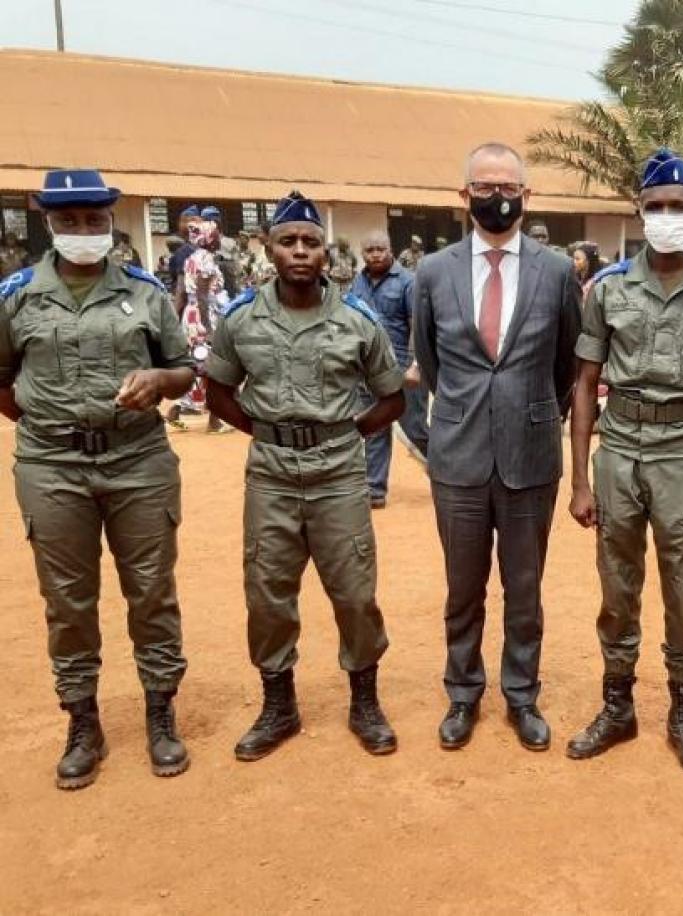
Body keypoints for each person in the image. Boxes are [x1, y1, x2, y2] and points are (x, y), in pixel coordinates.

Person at [0, 169, 196, 789]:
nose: (84, 232)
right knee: (67, 600)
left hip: (138, 460)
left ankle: (160, 713)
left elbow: (184, 369)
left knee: (151, 590)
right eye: (70, 221)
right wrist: (57, 425)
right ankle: (82, 720)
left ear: (109, 222)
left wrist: (160, 384)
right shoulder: (15, 297)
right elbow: (5, 385)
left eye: (95, 221)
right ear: (49, 222)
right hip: (52, 466)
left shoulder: (144, 292)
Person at [206, 191, 405, 761]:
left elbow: (391, 399)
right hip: (269, 476)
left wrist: (341, 435)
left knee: (355, 592)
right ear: (269, 248)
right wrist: (269, 433)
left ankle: (364, 701)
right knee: (267, 594)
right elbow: (218, 391)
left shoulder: (356, 320)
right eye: (288, 241)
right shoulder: (241, 318)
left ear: (326, 252)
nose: (299, 251)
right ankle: (279, 706)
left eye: (310, 243)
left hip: (339, 475)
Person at [565, 149, 683, 776]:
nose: (667, 215)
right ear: (639, 211)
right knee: (617, 585)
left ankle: (682, 712)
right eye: (657, 205)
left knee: (682, 589)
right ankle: (617, 706)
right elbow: (586, 383)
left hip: (682, 453)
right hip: (618, 449)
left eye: (679, 206)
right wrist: (581, 477)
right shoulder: (609, 287)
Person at [413, 142, 581, 752]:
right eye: (484, 188)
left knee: (525, 586)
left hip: (531, 457)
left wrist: (531, 411)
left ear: (527, 196)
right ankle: (462, 694)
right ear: (465, 197)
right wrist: (465, 411)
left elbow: (566, 362)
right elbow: (430, 362)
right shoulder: (432, 273)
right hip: (457, 457)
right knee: (464, 586)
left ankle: (521, 695)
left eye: (508, 187)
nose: (497, 197)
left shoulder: (557, 271)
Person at [351, 230, 428, 506]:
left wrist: (415, 366)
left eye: (380, 249)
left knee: (416, 428)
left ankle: (449, 474)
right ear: (362, 253)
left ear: (390, 249)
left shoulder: (408, 282)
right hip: (369, 370)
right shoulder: (356, 284)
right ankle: (375, 490)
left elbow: (418, 325)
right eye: (369, 250)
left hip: (404, 370)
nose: (375, 254)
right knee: (375, 427)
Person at [166, 220, 229, 433]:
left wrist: (177, 320)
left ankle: (177, 409)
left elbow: (181, 293)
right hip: (204, 316)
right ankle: (214, 420)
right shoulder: (207, 260)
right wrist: (209, 328)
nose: (219, 238)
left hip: (190, 316)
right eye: (217, 235)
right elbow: (203, 295)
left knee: (195, 364)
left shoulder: (190, 259)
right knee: (213, 367)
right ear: (210, 238)